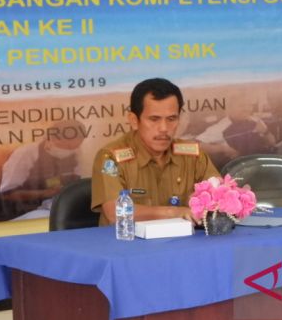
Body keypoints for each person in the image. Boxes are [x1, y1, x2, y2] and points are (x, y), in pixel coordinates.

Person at [91, 77, 219, 225]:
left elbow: (221, 195)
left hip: (183, 244)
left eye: (171, 119)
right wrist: (174, 212)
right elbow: (114, 212)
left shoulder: (193, 156)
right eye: (154, 119)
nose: (164, 128)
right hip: (128, 244)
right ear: (134, 120)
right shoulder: (111, 157)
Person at [0, 120, 87, 221]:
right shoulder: (26, 154)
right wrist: (45, 193)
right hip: (16, 216)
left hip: (52, 209)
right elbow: (6, 194)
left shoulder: (75, 153)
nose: (71, 150)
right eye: (68, 146)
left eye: (76, 146)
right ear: (52, 139)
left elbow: (76, 182)